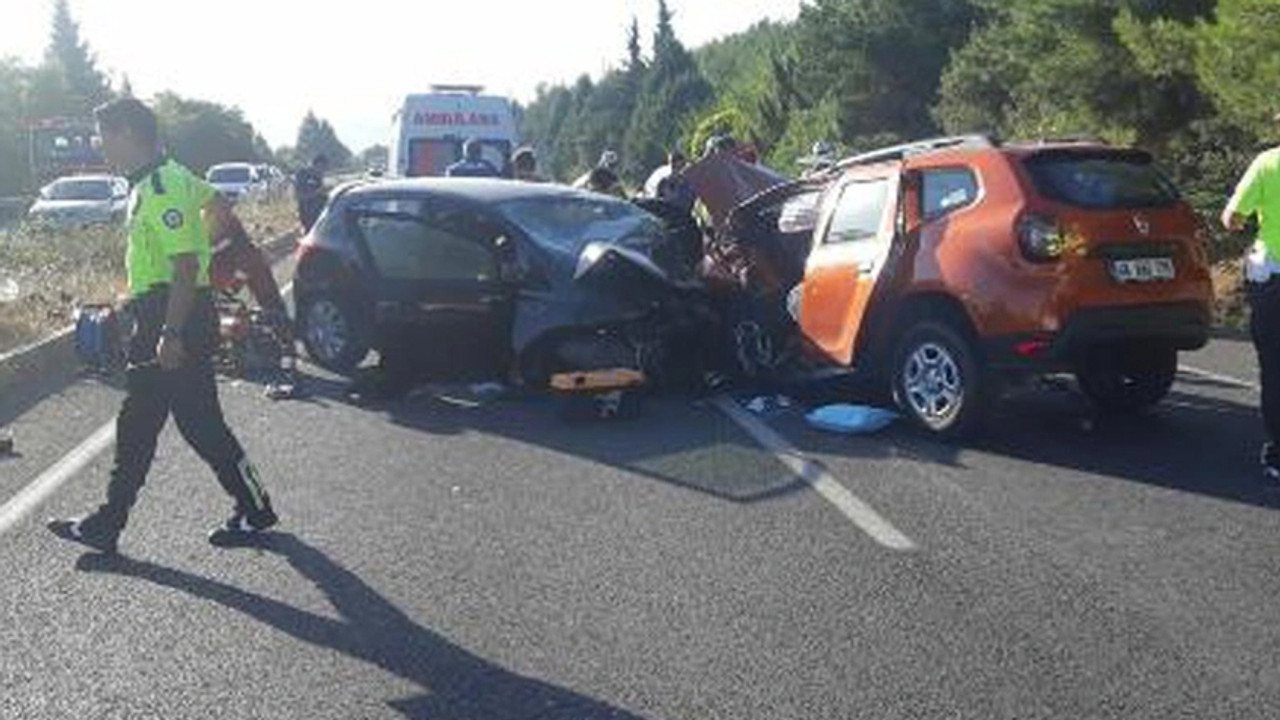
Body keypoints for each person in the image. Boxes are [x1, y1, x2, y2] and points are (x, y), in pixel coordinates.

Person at [47, 98, 278, 553]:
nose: (99, 146)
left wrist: (170, 332)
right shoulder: (167, 176)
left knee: (191, 424)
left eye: (103, 136)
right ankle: (110, 522)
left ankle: (253, 508)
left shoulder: (160, 187)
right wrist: (201, 251)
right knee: (150, 422)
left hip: (173, 316)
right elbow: (218, 206)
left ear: (128, 133)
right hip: (168, 310)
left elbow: (185, 265)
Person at [1223, 113, 1280, 481]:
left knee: (1274, 366)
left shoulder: (1267, 163)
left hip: (1273, 276)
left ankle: (1277, 454)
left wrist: (1246, 220)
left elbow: (1232, 218)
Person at [208, 210, 299, 399]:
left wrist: (235, 282)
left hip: (236, 265)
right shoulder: (213, 215)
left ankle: (284, 352)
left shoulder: (217, 218)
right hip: (232, 265)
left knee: (271, 307)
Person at [293, 154, 328, 233]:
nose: (322, 171)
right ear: (316, 164)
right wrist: (317, 192)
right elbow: (299, 195)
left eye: (324, 169)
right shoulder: (302, 174)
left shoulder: (318, 177)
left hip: (319, 215)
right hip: (308, 215)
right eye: (322, 168)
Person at [653, 150, 696, 215]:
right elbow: (657, 204)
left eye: (679, 167)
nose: (676, 169)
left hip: (682, 217)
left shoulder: (688, 185)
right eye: (673, 165)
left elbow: (690, 203)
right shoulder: (663, 183)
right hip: (666, 217)